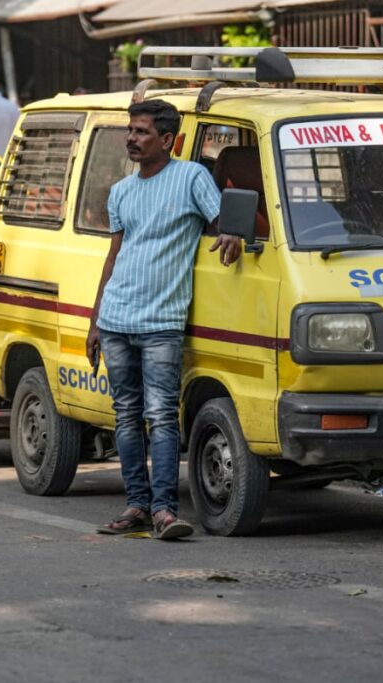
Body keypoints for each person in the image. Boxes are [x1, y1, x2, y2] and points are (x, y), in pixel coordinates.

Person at [88, 99, 242, 540]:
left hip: (162, 322)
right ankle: (136, 505)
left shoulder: (191, 177)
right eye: (130, 131)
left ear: (168, 139)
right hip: (117, 317)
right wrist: (96, 321)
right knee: (126, 415)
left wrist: (230, 232)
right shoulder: (121, 191)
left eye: (141, 132)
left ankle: (164, 511)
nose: (131, 139)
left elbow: (220, 219)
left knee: (161, 415)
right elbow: (114, 254)